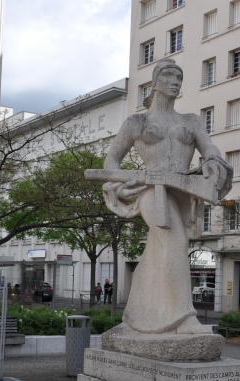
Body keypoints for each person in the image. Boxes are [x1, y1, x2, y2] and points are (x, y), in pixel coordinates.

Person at [99, 59, 232, 334]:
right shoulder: (137, 122)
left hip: (183, 192)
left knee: (159, 253)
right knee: (175, 242)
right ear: (155, 81)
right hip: (151, 192)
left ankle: (140, 316)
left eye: (179, 77)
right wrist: (121, 184)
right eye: (169, 75)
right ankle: (185, 318)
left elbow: (211, 151)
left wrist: (212, 163)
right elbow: (112, 160)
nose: (175, 81)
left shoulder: (191, 121)